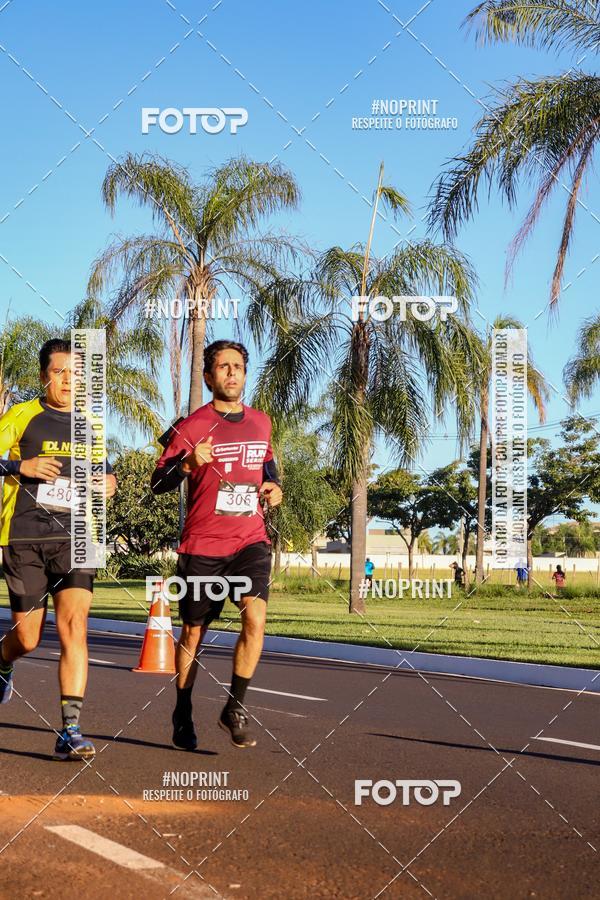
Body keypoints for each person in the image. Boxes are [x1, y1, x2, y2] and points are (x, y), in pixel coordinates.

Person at [151, 340, 283, 751]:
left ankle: (234, 707)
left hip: (250, 541)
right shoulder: (190, 426)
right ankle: (183, 709)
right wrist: (188, 463)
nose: (231, 373)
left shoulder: (262, 423)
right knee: (193, 634)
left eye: (238, 366)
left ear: (245, 374)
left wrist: (274, 486)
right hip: (203, 546)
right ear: (208, 377)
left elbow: (267, 465)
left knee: (255, 620)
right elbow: (158, 482)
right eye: (223, 367)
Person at [0, 339, 116, 759]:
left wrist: (109, 482)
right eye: (60, 371)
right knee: (28, 639)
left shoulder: (90, 424)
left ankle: (71, 730)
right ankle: (2, 660)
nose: (69, 380)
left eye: (76, 373)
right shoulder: (22, 415)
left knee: (74, 627)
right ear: (44, 376)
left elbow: (104, 469)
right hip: (24, 536)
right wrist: (20, 467)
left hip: (77, 536)